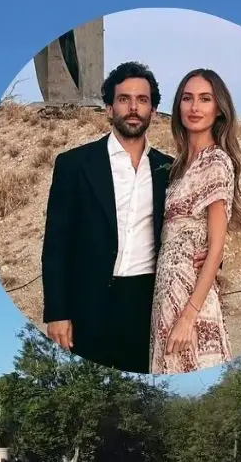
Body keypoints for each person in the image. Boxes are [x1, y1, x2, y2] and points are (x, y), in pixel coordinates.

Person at [41, 61, 208, 373]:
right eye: (124, 99)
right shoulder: (74, 165)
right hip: (88, 303)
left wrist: (203, 257)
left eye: (142, 100)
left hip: (148, 303)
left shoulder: (172, 170)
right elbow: (56, 245)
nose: (133, 108)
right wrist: (57, 312)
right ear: (108, 108)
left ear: (153, 111)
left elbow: (197, 227)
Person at [149, 69, 241, 374]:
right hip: (164, 292)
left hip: (192, 299)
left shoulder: (216, 162)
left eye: (205, 99)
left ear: (218, 109)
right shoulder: (177, 166)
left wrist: (188, 316)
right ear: (178, 106)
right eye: (188, 98)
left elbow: (216, 248)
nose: (195, 107)